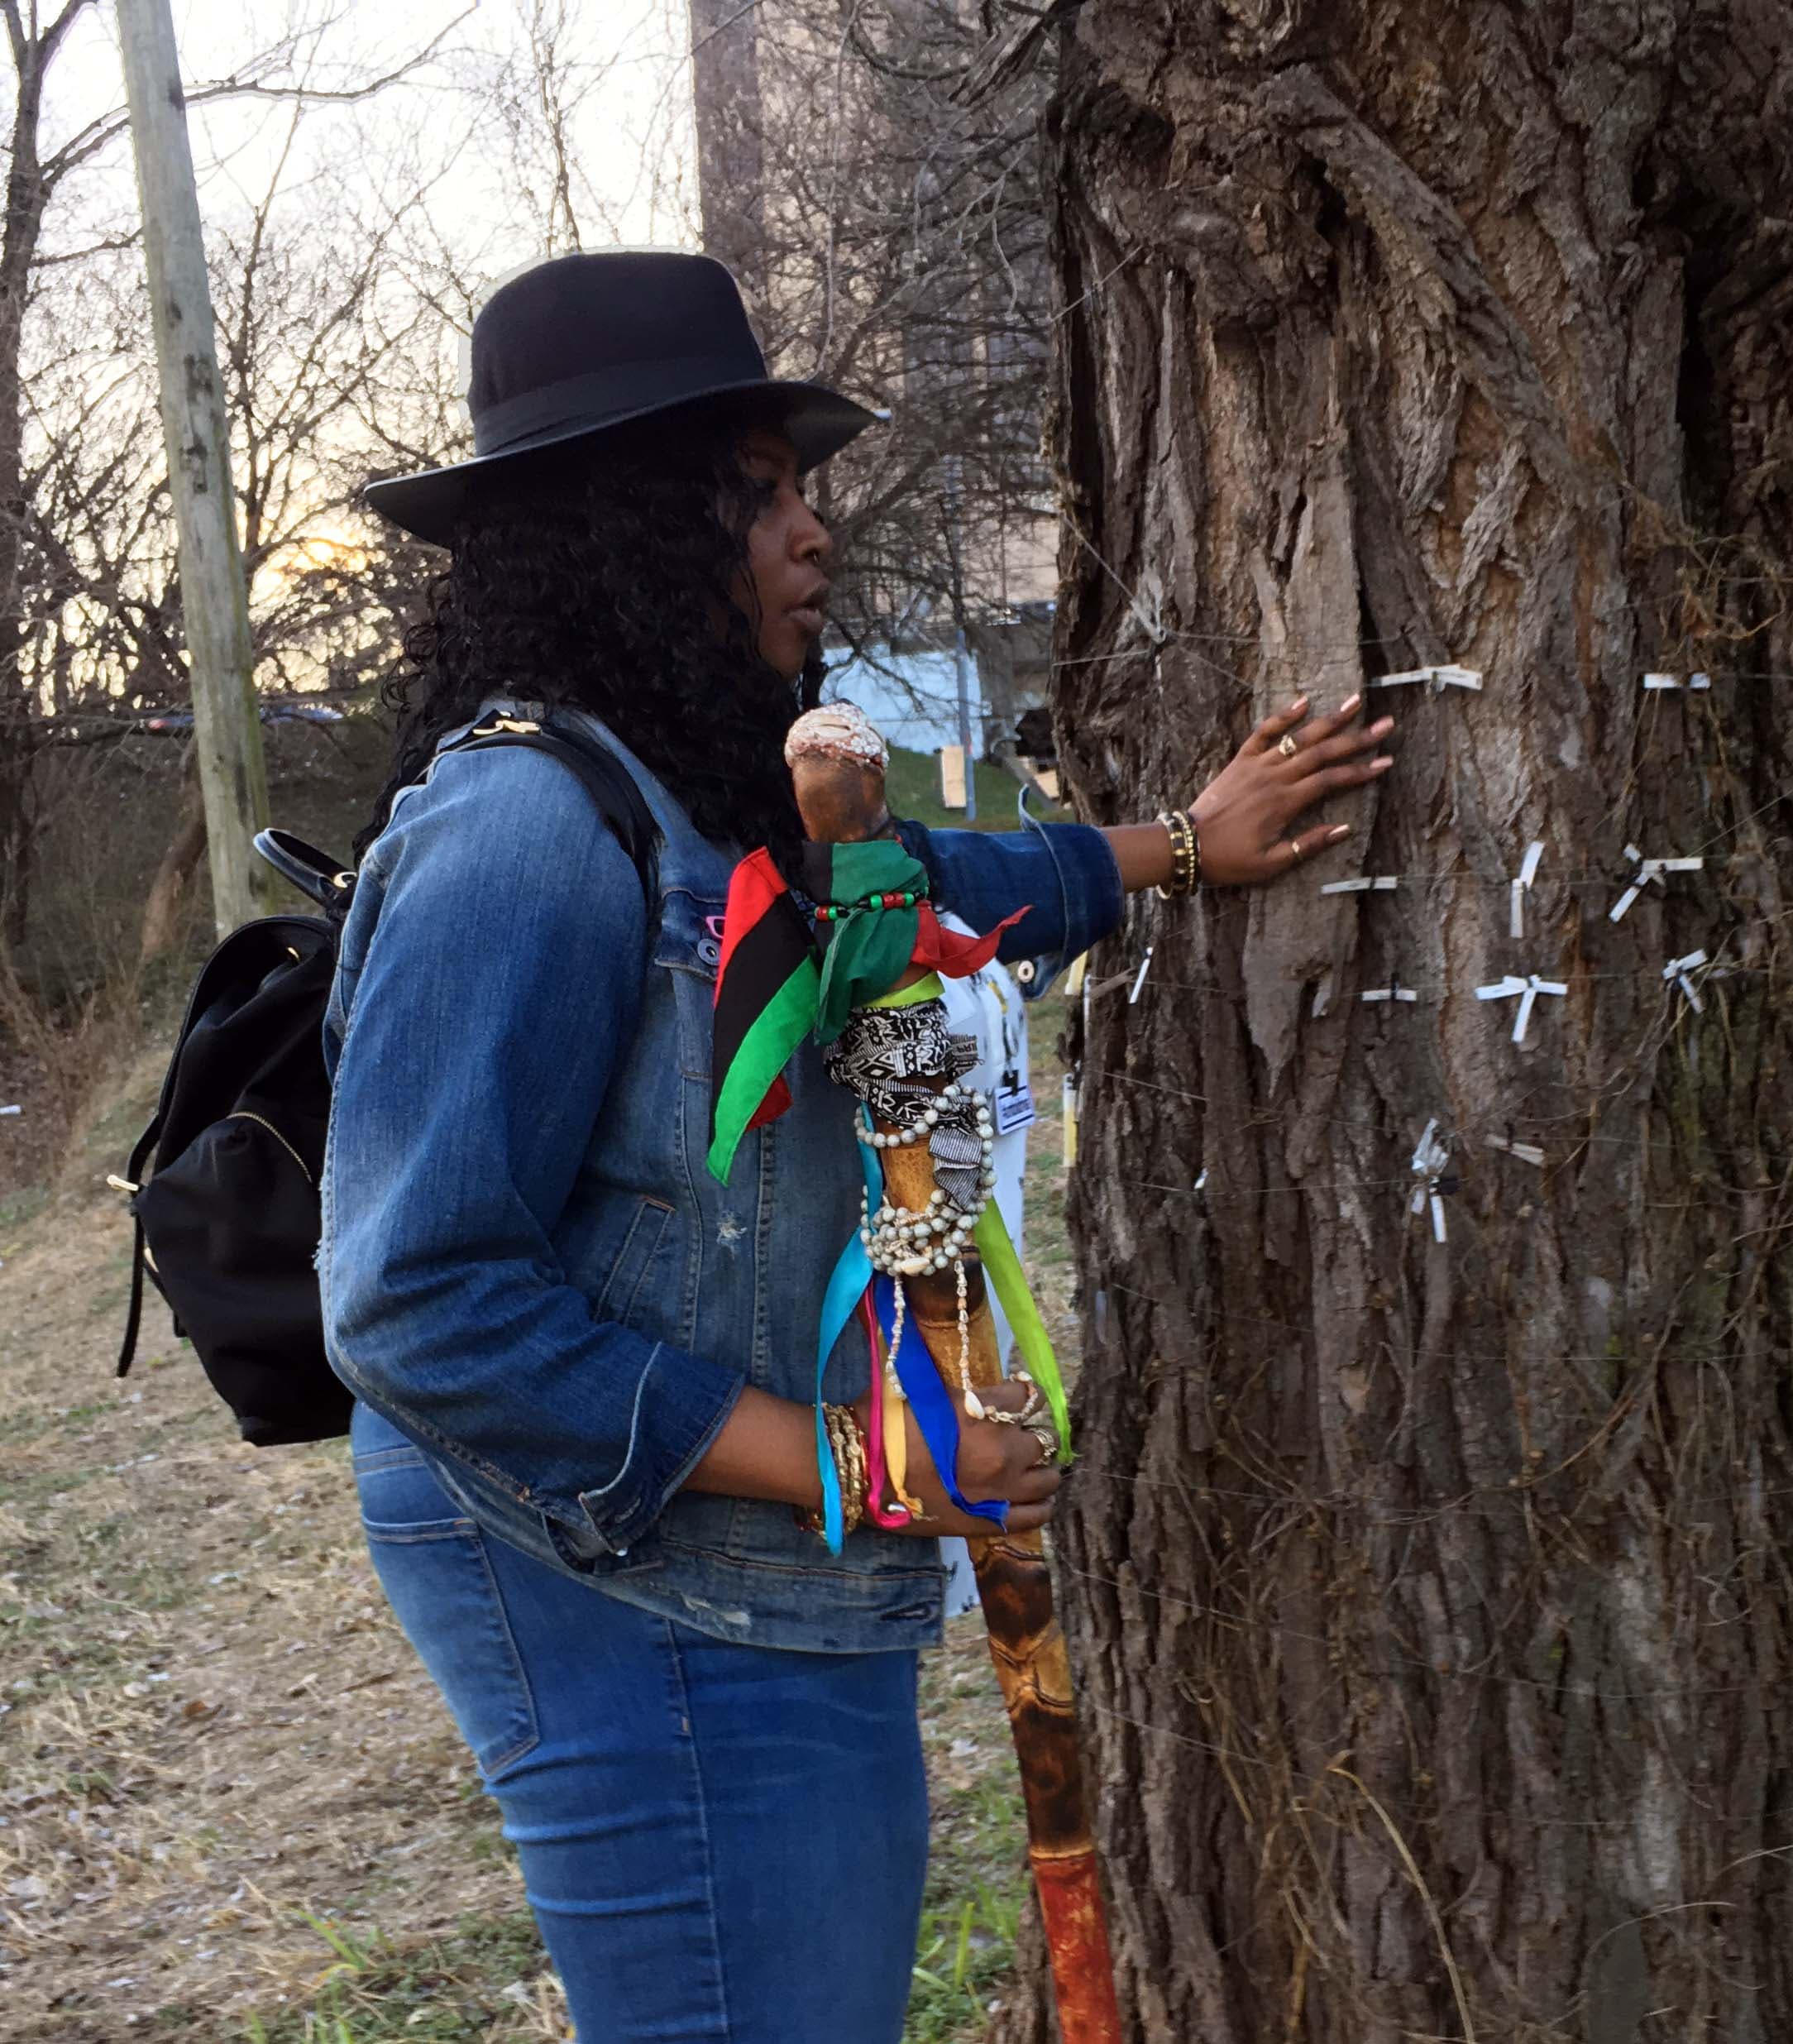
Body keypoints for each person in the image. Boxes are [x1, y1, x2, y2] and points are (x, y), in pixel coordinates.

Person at [327, 249, 1391, 2044]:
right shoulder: (522, 832)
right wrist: (865, 1457)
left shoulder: (701, 794)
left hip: (760, 1571)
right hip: (628, 1587)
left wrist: (1178, 847)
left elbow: (915, 899)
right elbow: (418, 1301)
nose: (814, 533)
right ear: (632, 526)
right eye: (764, 493)